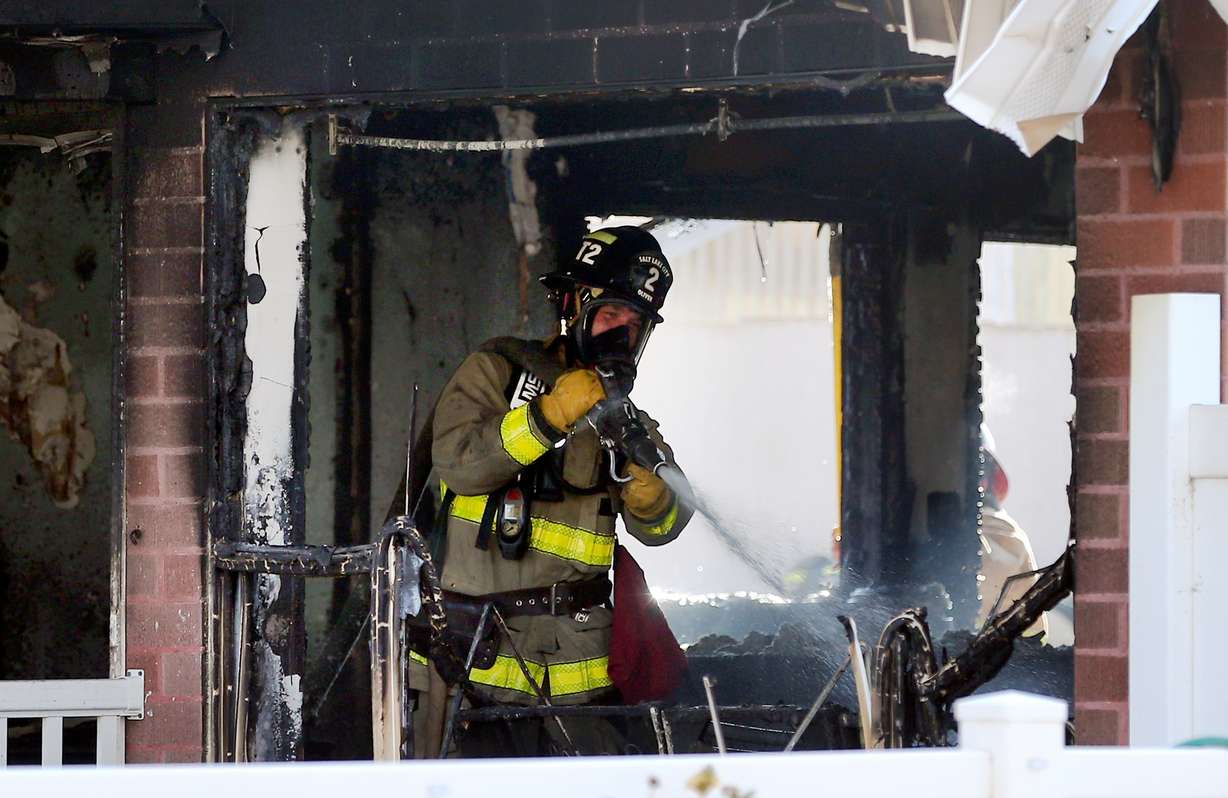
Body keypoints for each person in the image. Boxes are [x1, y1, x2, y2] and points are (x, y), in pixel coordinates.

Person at [408, 225, 692, 756]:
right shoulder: (499, 372)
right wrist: (547, 416)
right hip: (471, 663)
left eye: (636, 325)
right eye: (610, 316)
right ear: (572, 306)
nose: (621, 335)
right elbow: (460, 465)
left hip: (576, 677)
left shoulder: (626, 423)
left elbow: (665, 526)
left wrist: (656, 496)